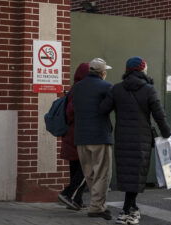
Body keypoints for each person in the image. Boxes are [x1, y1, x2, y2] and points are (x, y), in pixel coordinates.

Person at [100, 56, 171, 225]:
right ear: (141, 70)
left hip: (122, 137)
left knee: (127, 173)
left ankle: (131, 208)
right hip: (141, 138)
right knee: (136, 173)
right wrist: (166, 134)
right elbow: (159, 115)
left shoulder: (116, 89)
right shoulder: (149, 90)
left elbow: (103, 109)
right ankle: (127, 211)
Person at [73, 58, 114, 220]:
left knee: (89, 173)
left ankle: (96, 204)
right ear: (102, 73)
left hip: (81, 136)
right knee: (102, 173)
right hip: (99, 136)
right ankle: (97, 207)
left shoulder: (76, 87)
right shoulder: (107, 87)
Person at [58, 63, 89, 210]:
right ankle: (68, 194)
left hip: (71, 136)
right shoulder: (79, 90)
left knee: (76, 168)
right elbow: (71, 112)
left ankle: (76, 200)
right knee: (87, 168)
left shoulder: (73, 89)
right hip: (77, 135)